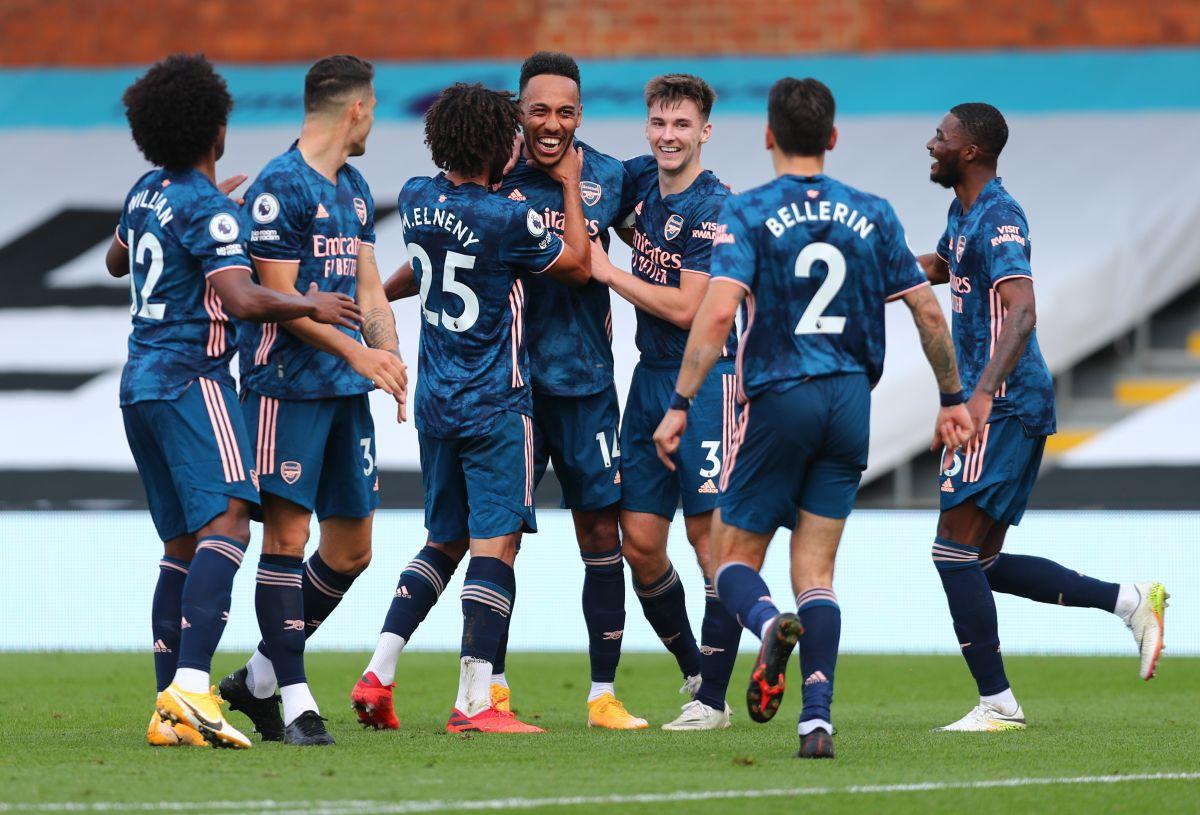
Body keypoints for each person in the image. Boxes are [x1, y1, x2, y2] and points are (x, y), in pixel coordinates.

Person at [653, 77, 972, 758]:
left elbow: (714, 315)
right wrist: (951, 398)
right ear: (832, 138)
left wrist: (680, 402)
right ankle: (815, 718)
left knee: (731, 555)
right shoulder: (875, 213)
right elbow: (925, 311)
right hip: (851, 402)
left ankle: (767, 622)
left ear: (769, 136)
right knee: (818, 569)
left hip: (781, 395)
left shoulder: (749, 213)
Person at [361, 51, 645, 731]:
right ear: (509, 126)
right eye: (534, 113)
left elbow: (430, 264)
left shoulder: (416, 194)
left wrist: (365, 297)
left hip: (439, 398)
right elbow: (578, 264)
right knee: (495, 546)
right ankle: (474, 701)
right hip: (499, 400)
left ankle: (379, 671)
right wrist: (572, 190)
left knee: (445, 539)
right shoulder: (506, 217)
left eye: (564, 111)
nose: (548, 126)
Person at [107, 54, 361, 749]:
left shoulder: (147, 191)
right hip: (195, 378)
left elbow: (114, 258)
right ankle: (193, 686)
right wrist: (311, 297)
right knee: (231, 523)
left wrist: (207, 210)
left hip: (139, 382)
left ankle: (169, 708)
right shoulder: (209, 210)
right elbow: (245, 299)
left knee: (182, 541)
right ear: (215, 127)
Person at [919, 103, 1169, 732]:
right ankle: (1129, 602)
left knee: (952, 553)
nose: (931, 143)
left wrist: (974, 398)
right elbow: (944, 266)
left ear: (971, 151)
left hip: (1002, 403)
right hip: (998, 403)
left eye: (942, 137)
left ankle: (997, 704)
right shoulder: (964, 213)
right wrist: (879, 268)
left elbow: (1023, 311)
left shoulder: (1001, 216)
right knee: (981, 563)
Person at [214, 55, 407, 747]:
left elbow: (368, 287)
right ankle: (295, 700)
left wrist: (389, 355)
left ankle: (261, 675)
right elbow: (280, 302)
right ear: (355, 108)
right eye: (375, 108)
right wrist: (358, 353)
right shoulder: (278, 187)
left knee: (352, 551)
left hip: (345, 394)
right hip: (284, 391)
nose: (375, 120)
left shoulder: (352, 187)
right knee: (288, 540)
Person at [589, 73, 743, 730]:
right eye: (659, 123)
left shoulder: (715, 205)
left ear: (705, 131)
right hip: (649, 378)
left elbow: (688, 308)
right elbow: (583, 168)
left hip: (705, 377)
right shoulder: (639, 180)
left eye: (682, 125)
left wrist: (607, 271)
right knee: (641, 543)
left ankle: (715, 698)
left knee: (709, 540)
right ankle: (696, 668)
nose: (668, 136)